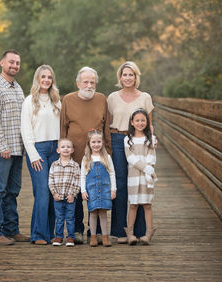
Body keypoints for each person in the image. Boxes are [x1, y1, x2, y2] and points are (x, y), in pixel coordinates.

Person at [60, 66, 111, 244]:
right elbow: (63, 129)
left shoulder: (101, 99)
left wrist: (108, 154)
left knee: (95, 193)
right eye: (86, 82)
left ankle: (94, 232)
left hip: (97, 158)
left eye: (92, 82)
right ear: (78, 83)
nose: (89, 85)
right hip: (74, 156)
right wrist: (63, 155)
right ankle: (78, 230)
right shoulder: (68, 100)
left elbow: (106, 128)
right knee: (77, 194)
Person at [0, 49, 30, 245]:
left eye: (17, 63)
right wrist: (3, 146)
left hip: (17, 149)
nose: (14, 66)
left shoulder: (18, 88)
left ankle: (12, 229)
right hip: (1, 150)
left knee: (13, 191)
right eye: (11, 62)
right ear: (2, 63)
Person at [107, 61, 155, 243]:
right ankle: (120, 231)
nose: (128, 78)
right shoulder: (112, 97)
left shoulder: (145, 97)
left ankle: (141, 230)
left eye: (131, 74)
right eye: (124, 74)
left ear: (136, 77)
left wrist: (152, 140)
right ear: (120, 77)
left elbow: (149, 123)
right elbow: (108, 122)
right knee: (119, 184)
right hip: (118, 140)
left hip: (139, 140)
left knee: (140, 183)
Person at [21, 65, 61, 245]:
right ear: (37, 79)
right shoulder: (29, 101)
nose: (46, 80)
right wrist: (33, 154)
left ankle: (51, 233)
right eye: (43, 76)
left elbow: (62, 126)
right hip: (38, 150)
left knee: (53, 191)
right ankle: (38, 234)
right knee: (42, 192)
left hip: (56, 149)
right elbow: (25, 130)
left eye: (49, 77)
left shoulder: (56, 101)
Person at [124, 108, 158, 245]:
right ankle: (130, 233)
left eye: (143, 120)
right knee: (133, 204)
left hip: (146, 178)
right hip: (133, 176)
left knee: (147, 204)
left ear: (147, 122)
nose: (140, 123)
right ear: (132, 122)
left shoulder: (151, 139)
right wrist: (146, 168)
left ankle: (148, 233)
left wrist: (149, 168)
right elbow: (130, 158)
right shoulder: (128, 139)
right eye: (137, 120)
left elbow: (152, 156)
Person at [81, 130, 116, 247]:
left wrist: (113, 189)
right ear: (89, 143)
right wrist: (83, 190)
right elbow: (83, 175)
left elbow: (112, 173)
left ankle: (105, 237)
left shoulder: (107, 157)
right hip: (91, 190)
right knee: (93, 212)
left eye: (99, 142)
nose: (96, 144)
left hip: (105, 189)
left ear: (102, 143)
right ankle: (93, 236)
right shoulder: (86, 158)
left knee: (103, 213)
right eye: (93, 142)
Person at [49, 138, 81, 247]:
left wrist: (73, 194)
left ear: (72, 150)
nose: (65, 149)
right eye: (63, 147)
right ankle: (58, 236)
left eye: (68, 147)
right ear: (58, 150)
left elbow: (78, 181)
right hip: (58, 197)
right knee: (59, 218)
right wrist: (54, 193)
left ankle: (70, 237)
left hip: (70, 198)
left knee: (70, 218)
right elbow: (51, 180)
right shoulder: (54, 165)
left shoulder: (75, 165)